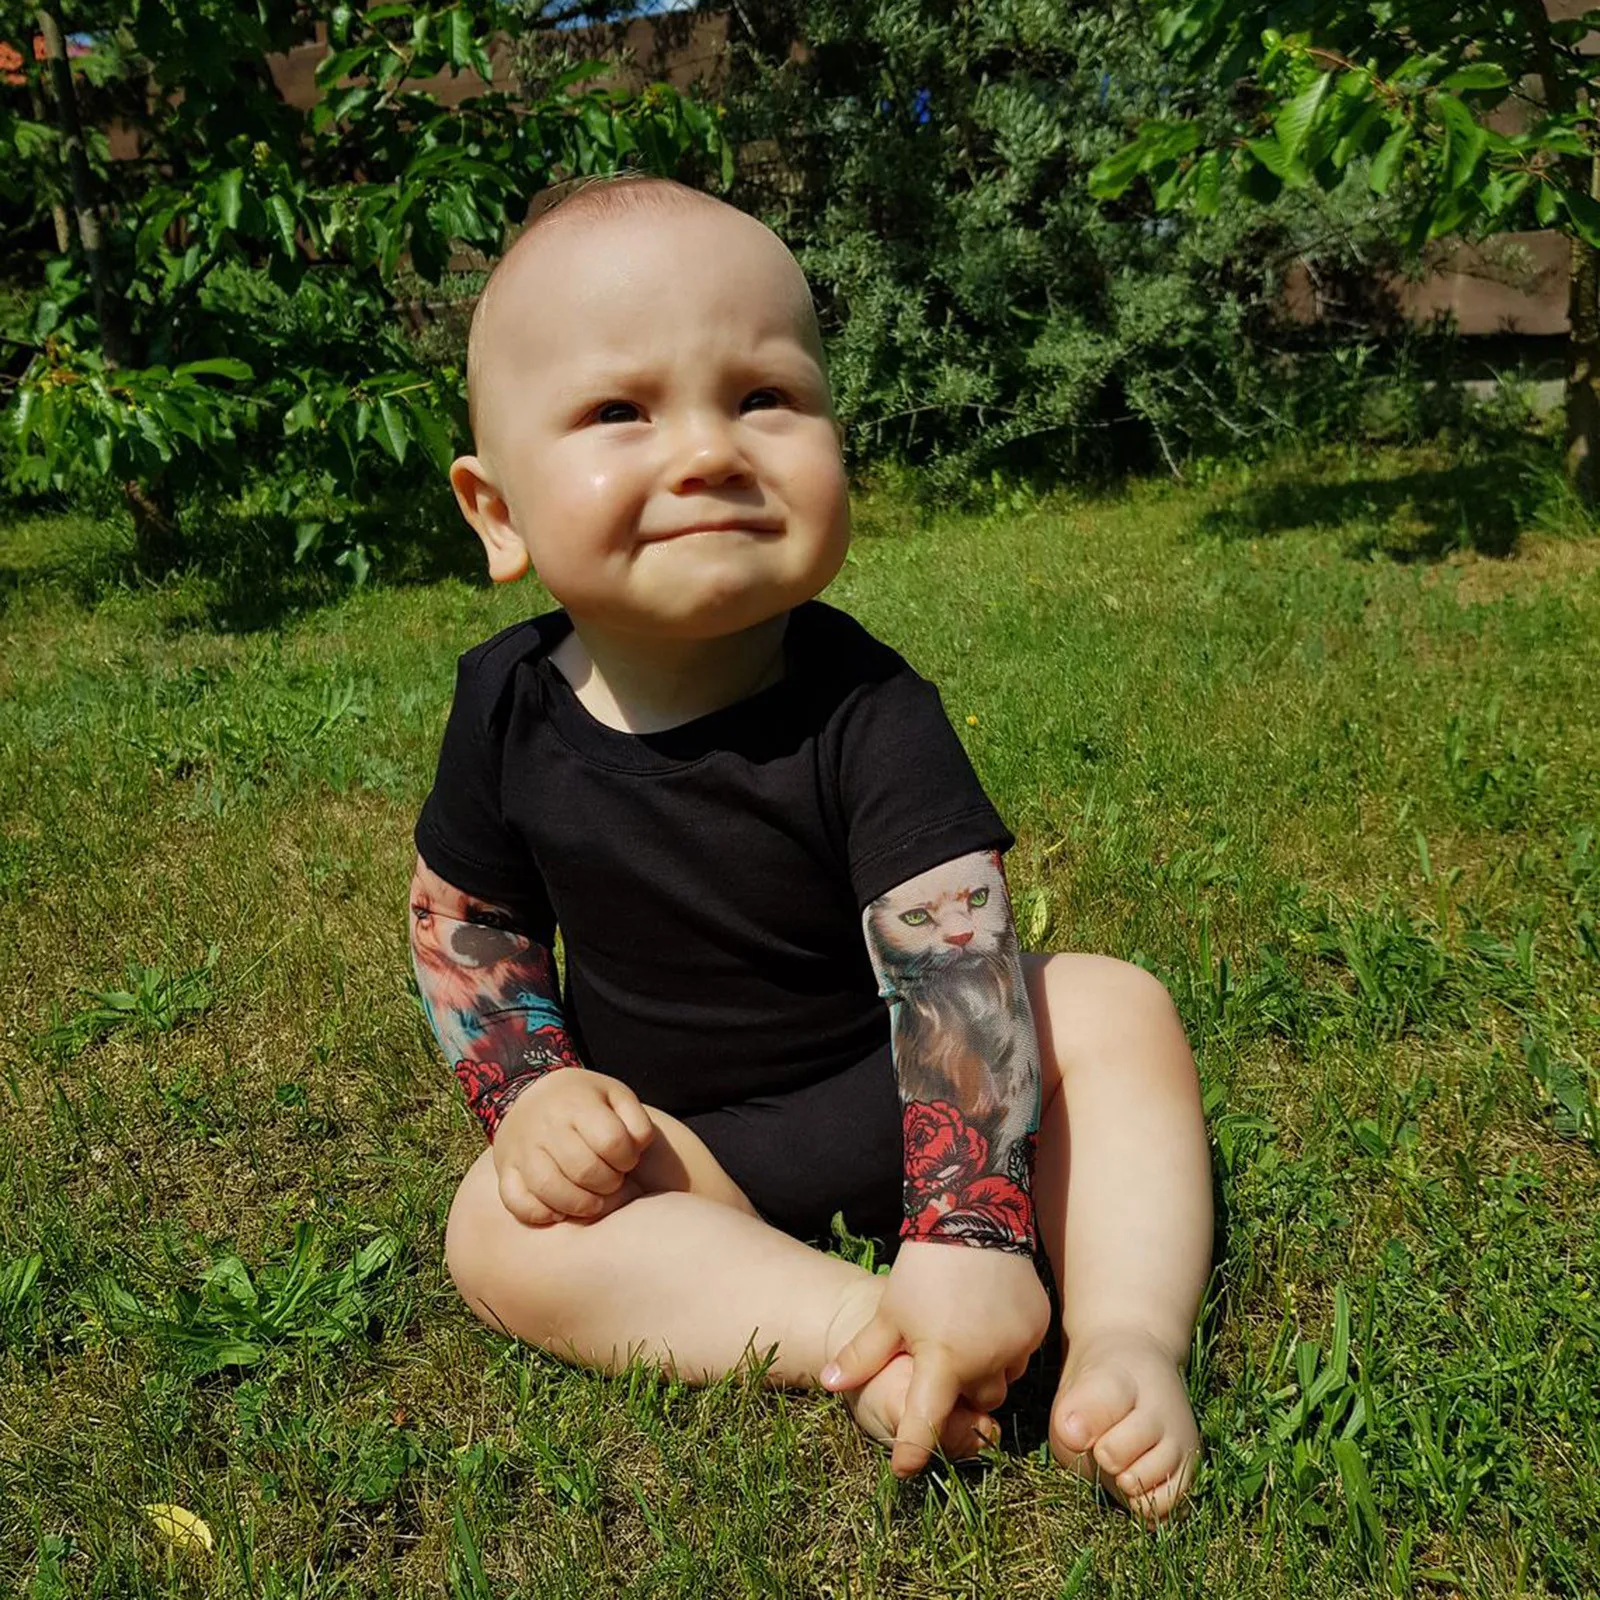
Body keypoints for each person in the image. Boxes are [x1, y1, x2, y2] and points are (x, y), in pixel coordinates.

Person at [408, 173, 1212, 1525]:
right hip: (679, 1151)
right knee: (494, 1224)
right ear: (499, 515)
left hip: (903, 1089)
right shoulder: (504, 703)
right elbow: (466, 919)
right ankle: (860, 1330)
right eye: (620, 411)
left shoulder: (867, 708)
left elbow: (956, 972)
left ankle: (1127, 1337)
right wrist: (534, 1091)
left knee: (1108, 1004)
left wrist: (970, 1221)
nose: (709, 451)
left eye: (764, 396)